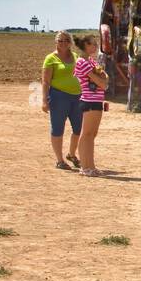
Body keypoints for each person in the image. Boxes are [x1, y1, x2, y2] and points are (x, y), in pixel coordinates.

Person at [41, 31, 82, 170]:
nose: (63, 43)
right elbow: (46, 82)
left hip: (77, 97)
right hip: (59, 97)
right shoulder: (51, 59)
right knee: (58, 128)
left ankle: (71, 154)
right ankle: (59, 160)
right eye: (60, 40)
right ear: (56, 42)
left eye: (66, 40)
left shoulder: (75, 56)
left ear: (70, 42)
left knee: (78, 128)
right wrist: (45, 101)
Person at [72, 34, 109, 177]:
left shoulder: (92, 62)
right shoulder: (83, 62)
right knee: (86, 134)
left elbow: (105, 78)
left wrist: (102, 79)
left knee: (92, 134)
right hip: (89, 100)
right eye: (93, 44)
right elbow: (101, 82)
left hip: (97, 100)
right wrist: (102, 80)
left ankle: (91, 166)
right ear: (86, 45)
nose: (96, 46)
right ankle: (84, 166)